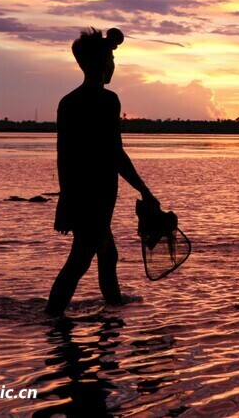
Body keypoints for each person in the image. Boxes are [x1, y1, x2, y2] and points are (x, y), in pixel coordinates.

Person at [46, 27, 160, 317]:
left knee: (107, 255)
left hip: (82, 192)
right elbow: (115, 152)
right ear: (99, 64)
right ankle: (52, 319)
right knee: (81, 259)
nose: (113, 65)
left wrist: (66, 199)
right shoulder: (107, 101)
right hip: (96, 194)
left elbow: (64, 157)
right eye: (110, 58)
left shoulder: (68, 102)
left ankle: (112, 319)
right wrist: (144, 190)